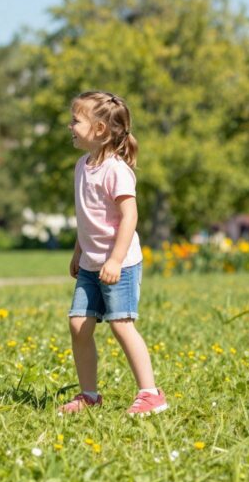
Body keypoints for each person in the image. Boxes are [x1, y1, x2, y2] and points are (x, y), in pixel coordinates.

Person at [60, 91, 168, 416]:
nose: (70, 126)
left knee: (121, 325)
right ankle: (89, 394)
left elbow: (129, 217)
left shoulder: (116, 170)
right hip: (92, 264)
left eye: (76, 120)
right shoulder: (83, 166)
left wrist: (116, 260)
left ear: (100, 130)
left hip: (119, 264)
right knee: (79, 325)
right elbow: (87, 217)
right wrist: (79, 251)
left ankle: (150, 394)